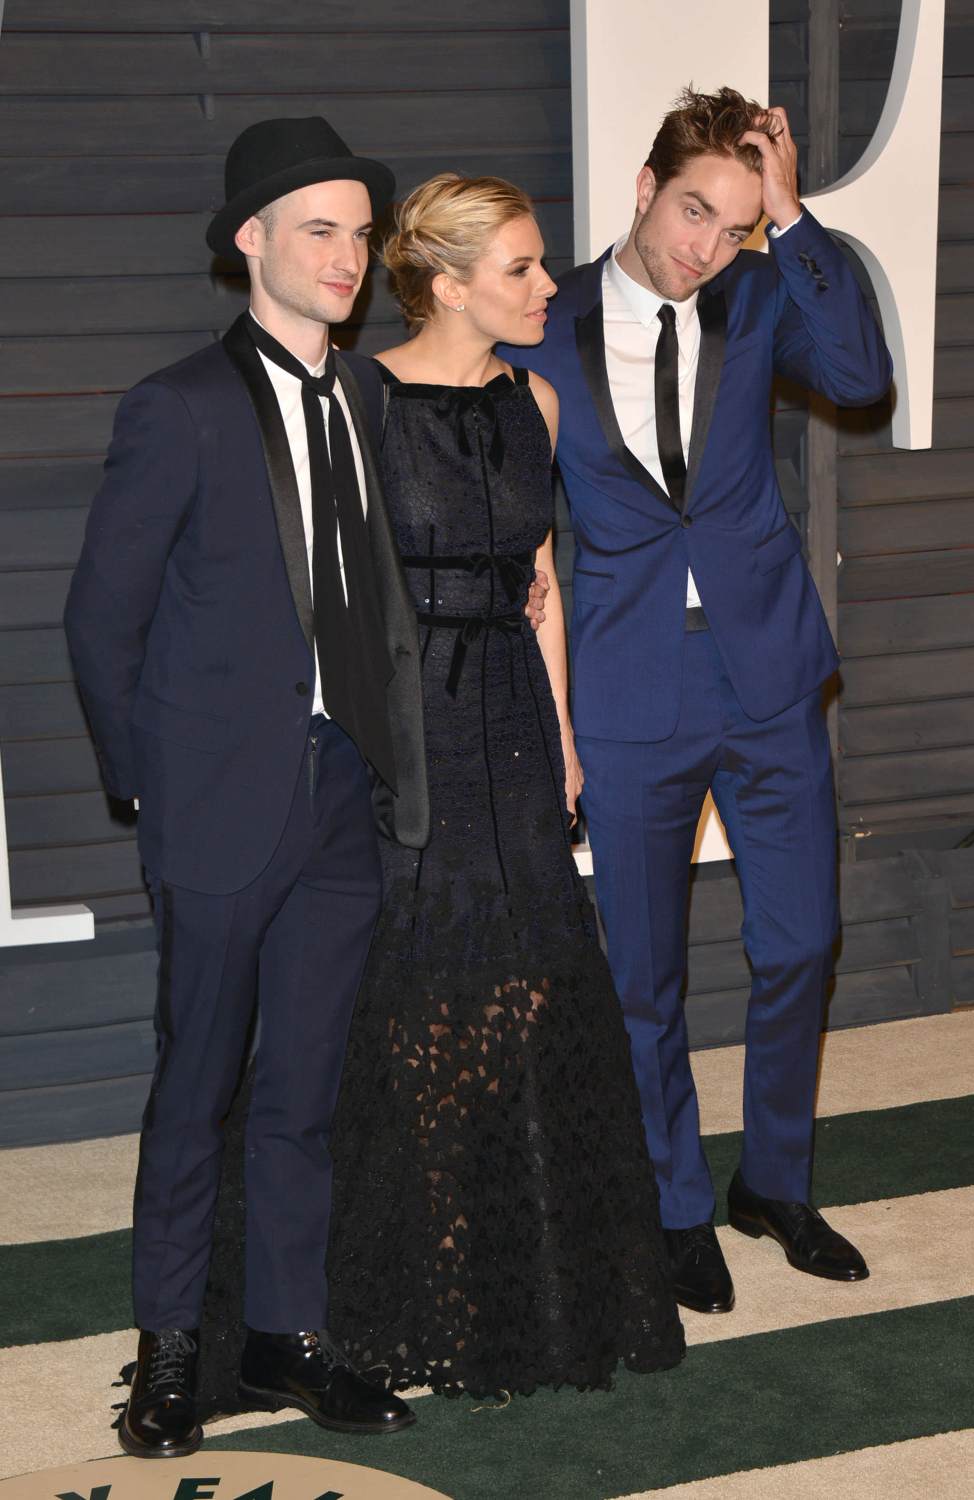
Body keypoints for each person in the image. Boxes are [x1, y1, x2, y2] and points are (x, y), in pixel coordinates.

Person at [197, 172, 685, 1407]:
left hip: (514, 719)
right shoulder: (358, 403)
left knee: (531, 988)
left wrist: (563, 735)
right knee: (404, 1002)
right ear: (449, 284)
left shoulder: (538, 402)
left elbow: (541, 580)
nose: (547, 285)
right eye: (520, 268)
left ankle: (531, 1283)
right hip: (405, 725)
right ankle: (370, 1288)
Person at [64, 116, 438, 1458]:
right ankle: (169, 1352)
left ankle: (288, 1336)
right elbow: (98, 621)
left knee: (306, 1091)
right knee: (197, 1088)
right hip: (217, 804)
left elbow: (370, 597)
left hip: (343, 795)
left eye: (359, 234)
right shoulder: (177, 407)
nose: (347, 257)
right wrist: (151, 789)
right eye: (318, 230)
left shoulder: (369, 398)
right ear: (250, 241)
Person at [502, 87, 890, 1316]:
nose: (704, 247)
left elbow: (860, 372)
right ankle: (673, 1205)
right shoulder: (542, 321)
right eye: (689, 213)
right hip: (626, 685)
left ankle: (772, 1182)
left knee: (802, 942)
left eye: (732, 225)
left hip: (765, 670)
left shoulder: (761, 292)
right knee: (641, 975)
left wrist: (792, 213)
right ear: (642, 188)